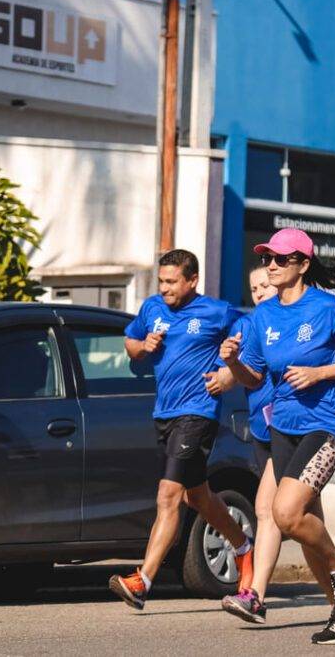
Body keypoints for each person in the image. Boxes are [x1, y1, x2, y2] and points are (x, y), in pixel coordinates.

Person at [220, 228, 335, 645]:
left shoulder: (328, 308)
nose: (271, 265)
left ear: (303, 264)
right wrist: (234, 363)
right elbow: (254, 378)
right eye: (267, 258)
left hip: (325, 425)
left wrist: (321, 373)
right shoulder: (264, 316)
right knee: (308, 526)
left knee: (286, 513)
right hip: (282, 427)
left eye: (280, 259)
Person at [108, 249, 253, 610]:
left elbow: (250, 339)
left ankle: (142, 581)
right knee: (197, 497)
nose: (165, 288)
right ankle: (243, 548)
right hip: (165, 413)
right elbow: (130, 344)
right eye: (162, 281)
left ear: (192, 280)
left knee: (168, 496)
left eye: (172, 282)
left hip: (198, 412)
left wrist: (228, 370)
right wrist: (142, 346)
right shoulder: (152, 308)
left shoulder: (216, 311)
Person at [214, 266, 335, 624]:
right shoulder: (252, 325)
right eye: (253, 288)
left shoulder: (293, 323)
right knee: (307, 527)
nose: (259, 292)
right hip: (265, 433)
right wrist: (227, 369)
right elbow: (243, 374)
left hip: (295, 432)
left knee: (267, 509)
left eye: (265, 285)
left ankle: (255, 596)